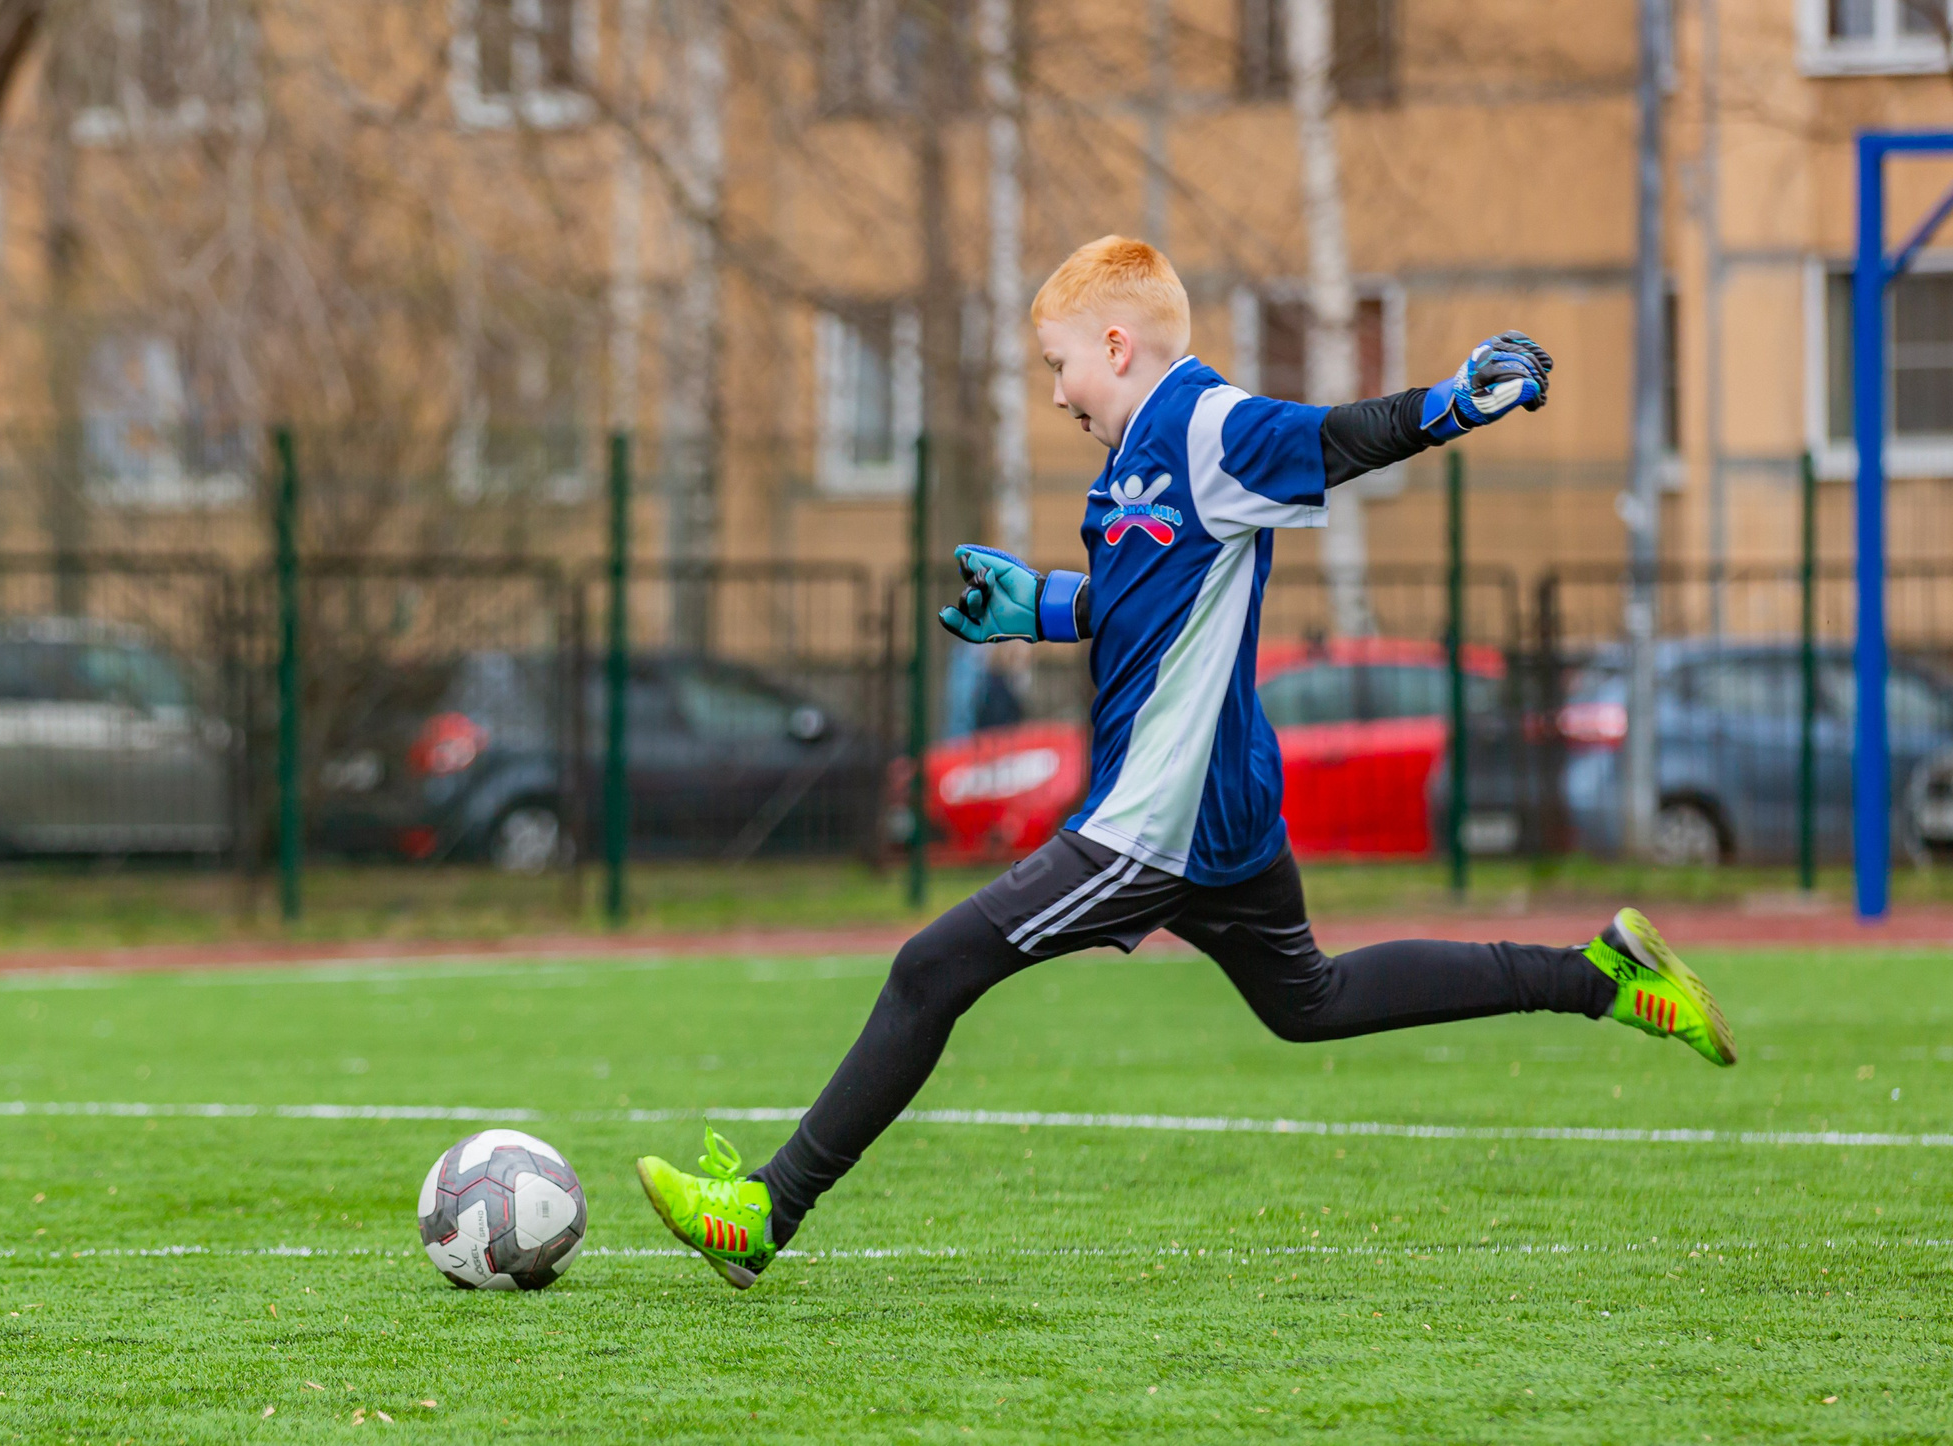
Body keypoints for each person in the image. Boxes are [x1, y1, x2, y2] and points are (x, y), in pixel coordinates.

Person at [635, 236, 1736, 1290]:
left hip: (1156, 821)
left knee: (930, 969)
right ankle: (1602, 979)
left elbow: (1334, 436)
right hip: (1218, 812)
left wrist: (1451, 403)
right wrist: (1047, 606)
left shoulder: (1204, 423)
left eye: (1059, 364)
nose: (1056, 393)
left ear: (1116, 345)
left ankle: (764, 1215)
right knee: (1309, 999)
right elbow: (1148, 608)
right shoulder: (1125, 474)